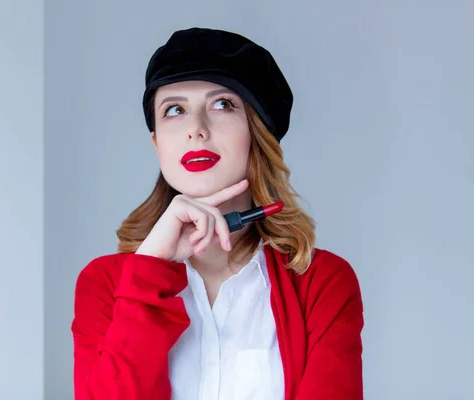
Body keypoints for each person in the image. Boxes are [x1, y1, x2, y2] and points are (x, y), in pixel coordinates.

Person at [71, 27, 364, 400]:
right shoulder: (104, 285)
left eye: (222, 104)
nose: (196, 129)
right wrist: (148, 275)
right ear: (157, 143)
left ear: (257, 133)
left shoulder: (323, 283)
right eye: (174, 110)